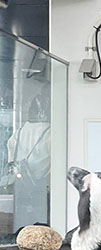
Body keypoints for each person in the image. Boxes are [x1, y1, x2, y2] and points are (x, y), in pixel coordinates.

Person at [5, 94, 51, 230]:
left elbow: (11, 162)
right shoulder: (51, 133)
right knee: (42, 226)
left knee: (22, 224)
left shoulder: (17, 134)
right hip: (42, 188)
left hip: (20, 186)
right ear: (44, 111)